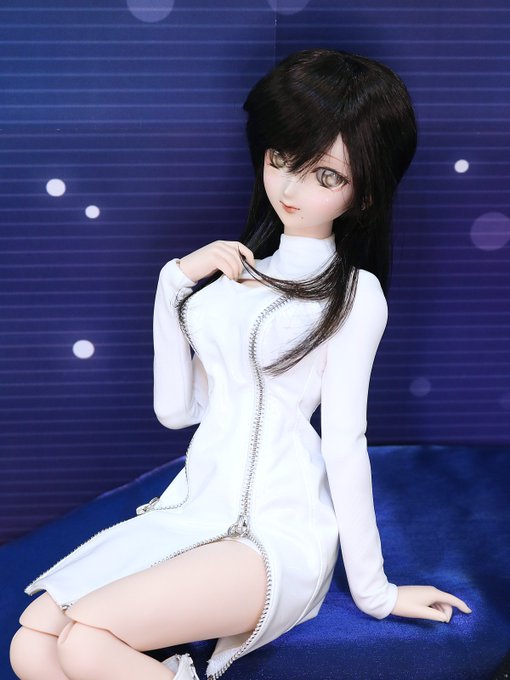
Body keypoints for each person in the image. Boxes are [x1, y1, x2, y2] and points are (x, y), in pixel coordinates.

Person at [9, 48, 472, 680]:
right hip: (194, 513)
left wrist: (376, 592)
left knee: (85, 642)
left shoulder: (354, 294)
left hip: (276, 532)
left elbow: (344, 443)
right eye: (281, 159)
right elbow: (177, 411)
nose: (290, 187)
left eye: (325, 176)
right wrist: (172, 285)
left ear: (365, 193)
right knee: (31, 644)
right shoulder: (227, 285)